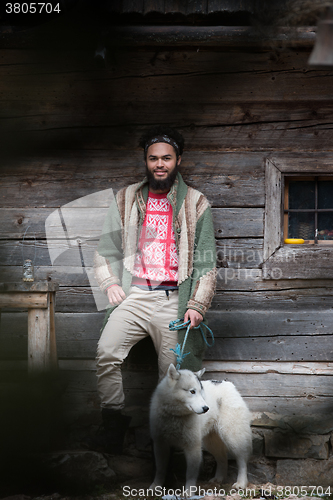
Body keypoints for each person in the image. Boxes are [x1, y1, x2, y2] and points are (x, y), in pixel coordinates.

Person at [91, 125, 217, 454]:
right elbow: (105, 250)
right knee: (106, 352)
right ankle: (113, 426)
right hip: (134, 296)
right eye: (153, 158)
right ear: (145, 161)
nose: (159, 164)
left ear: (178, 160)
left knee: (171, 375)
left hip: (173, 301)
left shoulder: (196, 203)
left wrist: (197, 304)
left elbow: (206, 262)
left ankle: (167, 445)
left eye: (166, 158)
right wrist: (111, 283)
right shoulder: (126, 199)